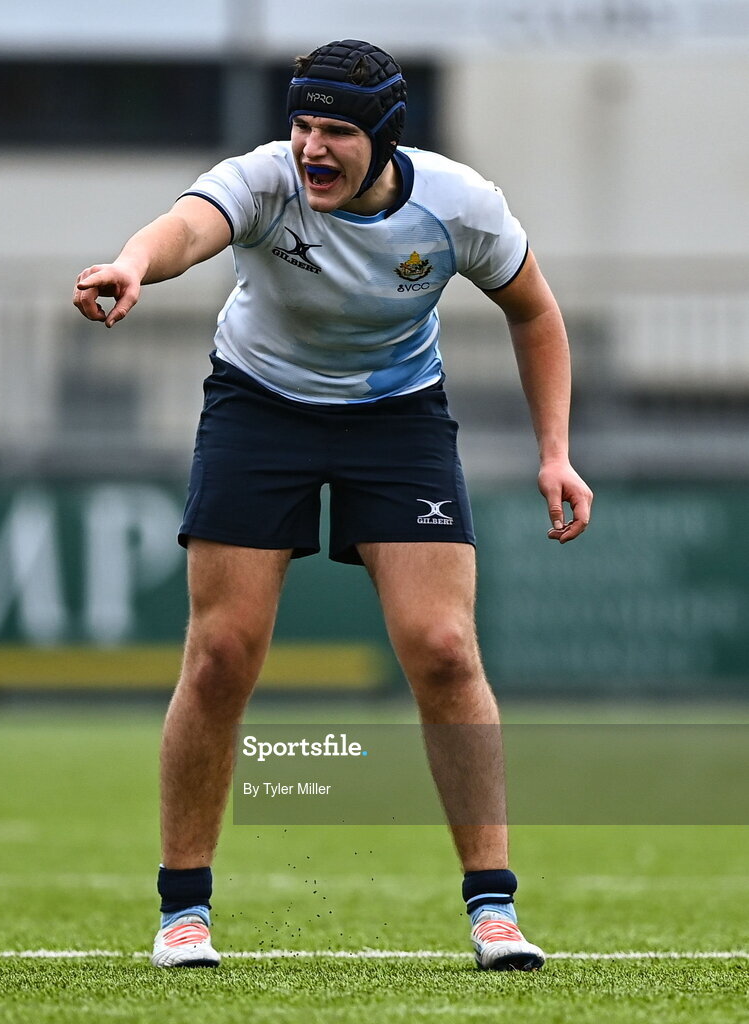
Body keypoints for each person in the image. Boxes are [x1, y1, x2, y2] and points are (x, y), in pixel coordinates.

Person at [73, 38, 592, 972]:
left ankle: (492, 908)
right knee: (223, 653)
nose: (312, 147)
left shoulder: (459, 206)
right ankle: (183, 912)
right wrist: (130, 267)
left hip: (396, 419)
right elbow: (185, 228)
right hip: (257, 407)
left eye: (337, 132)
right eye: (303, 124)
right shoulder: (263, 182)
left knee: (442, 650)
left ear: (384, 140)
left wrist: (555, 452)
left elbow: (535, 313)